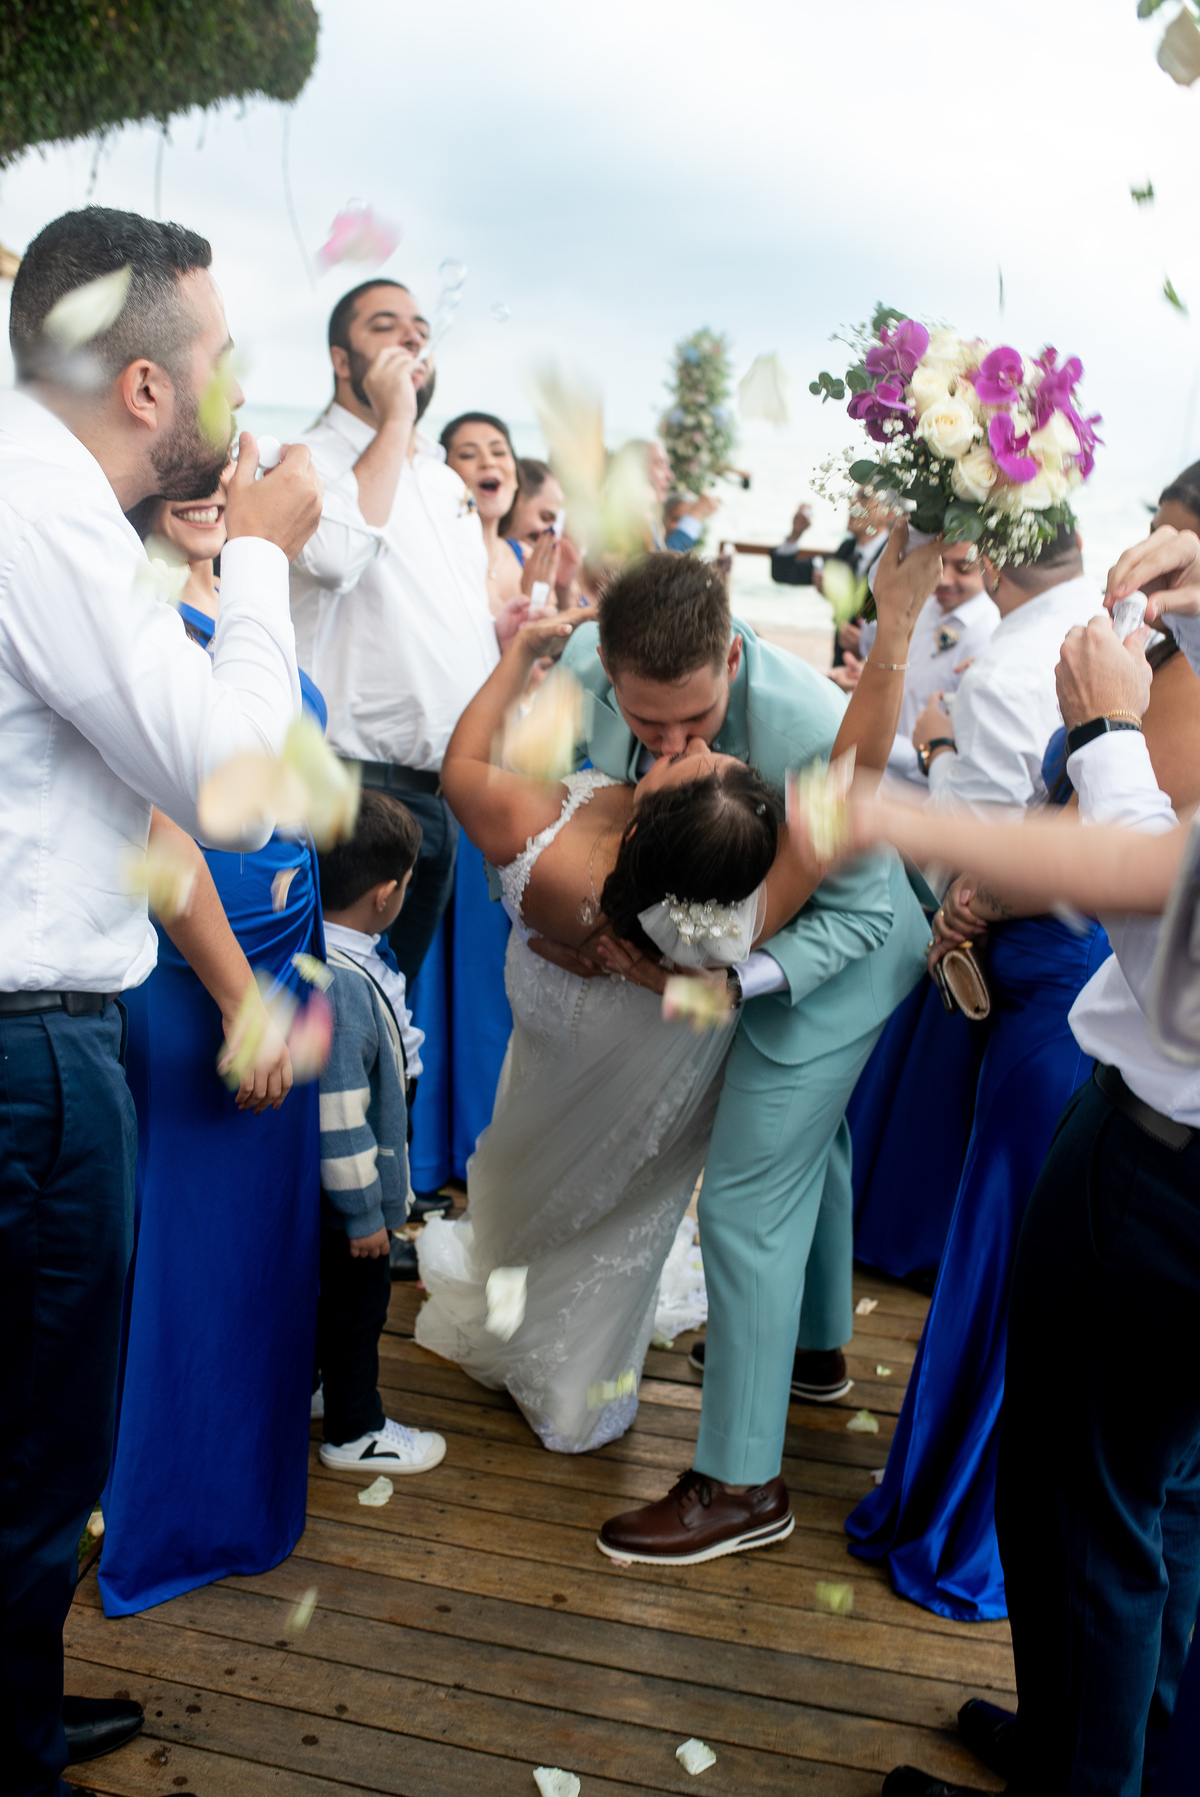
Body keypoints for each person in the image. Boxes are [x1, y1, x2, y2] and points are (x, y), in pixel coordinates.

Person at [0, 204, 320, 1795]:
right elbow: (231, 783)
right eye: (220, 358)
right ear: (144, 386)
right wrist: (260, 550)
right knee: (32, 1446)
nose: (233, 390)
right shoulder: (46, 515)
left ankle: (15, 1705)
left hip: (40, 1034)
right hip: (27, 1058)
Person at [821, 526, 1200, 1794]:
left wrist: (1106, 734)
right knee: (1170, 1492)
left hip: (1164, 1165)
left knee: (1084, 1512)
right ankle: (1100, 1750)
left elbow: (1163, 915)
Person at [548, 548, 931, 1564]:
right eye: (648, 726)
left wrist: (731, 981)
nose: (674, 745)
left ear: (731, 655)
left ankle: (742, 1484)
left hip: (841, 965)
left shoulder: (810, 726)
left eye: (695, 720)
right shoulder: (586, 671)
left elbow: (865, 911)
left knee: (745, 1202)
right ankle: (813, 1349)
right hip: (747, 948)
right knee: (812, 1148)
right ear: (609, 668)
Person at [416, 610, 788, 1452]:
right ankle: (578, 1370)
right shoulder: (713, 906)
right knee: (620, 1201)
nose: (692, 744)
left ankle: (555, 1370)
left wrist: (522, 651)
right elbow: (721, 1000)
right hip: (651, 1055)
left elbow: (462, 766)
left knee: (543, 1181)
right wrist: (652, 978)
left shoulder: (552, 836)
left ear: (654, 821)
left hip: (559, 1038)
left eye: (696, 760)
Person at [846, 525, 1114, 1623]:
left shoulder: (1049, 666)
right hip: (1042, 967)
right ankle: (957, 1498)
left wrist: (976, 868)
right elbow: (1066, 820)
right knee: (1002, 1248)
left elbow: (1113, 848)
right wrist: (982, 893)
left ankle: (973, 1521)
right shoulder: (1110, 641)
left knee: (1012, 1256)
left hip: (1061, 997)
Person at [97, 477, 327, 1620]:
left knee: (257, 1253)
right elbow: (155, 827)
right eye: (182, 479)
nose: (205, 493)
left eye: (221, 473)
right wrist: (243, 1000)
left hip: (284, 959)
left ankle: (235, 1482)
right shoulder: (122, 612)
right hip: (191, 976)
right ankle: (154, 1502)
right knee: (170, 1253)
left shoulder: (255, 603)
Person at [288, 278, 527, 987]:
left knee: (391, 1008)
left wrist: (495, 632)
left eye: (419, 326)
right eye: (385, 325)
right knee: (333, 1007)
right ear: (341, 360)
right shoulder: (306, 457)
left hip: (439, 793)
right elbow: (336, 557)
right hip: (353, 785)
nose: (412, 336)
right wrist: (395, 419)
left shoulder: (442, 479)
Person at [314, 790, 446, 1475]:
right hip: (351, 1202)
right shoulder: (342, 985)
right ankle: (355, 1429)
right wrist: (365, 1213)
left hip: (349, 1194)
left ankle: (322, 1387)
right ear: (386, 894)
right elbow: (339, 1111)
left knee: (333, 1305)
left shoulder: (345, 956)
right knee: (359, 1308)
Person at [440, 413, 561, 616]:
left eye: (498, 452)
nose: (488, 462)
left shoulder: (527, 556)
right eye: (468, 455)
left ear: (515, 480)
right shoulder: (441, 560)